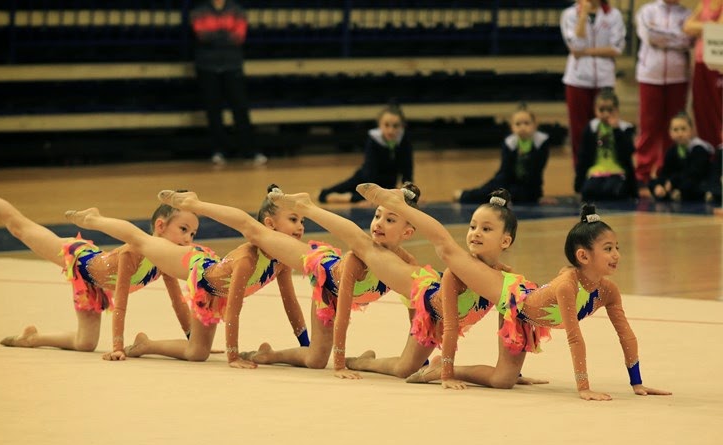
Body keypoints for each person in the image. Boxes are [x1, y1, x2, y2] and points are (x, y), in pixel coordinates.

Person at [357, 182, 672, 401]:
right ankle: (397, 203)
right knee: (448, 250)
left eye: (616, 248)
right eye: (608, 248)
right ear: (583, 255)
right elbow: (575, 338)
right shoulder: (566, 285)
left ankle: (436, 368)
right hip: (513, 296)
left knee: (502, 380)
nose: (616, 255)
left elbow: (626, 335)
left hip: (521, 313)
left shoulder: (609, 291)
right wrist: (583, 387)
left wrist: (637, 382)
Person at [270, 187, 546, 388]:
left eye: (486, 229)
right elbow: (441, 240)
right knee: (364, 246)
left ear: (505, 241)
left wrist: (514, 371)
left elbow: (510, 326)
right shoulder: (461, 264)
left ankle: (363, 362)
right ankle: (307, 207)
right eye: (473, 226)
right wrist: (447, 372)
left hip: (440, 312)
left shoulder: (507, 278)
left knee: (408, 368)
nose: (475, 233)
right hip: (426, 293)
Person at [155, 184, 421, 379]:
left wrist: (419, 361)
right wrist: (338, 364)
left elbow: (415, 319)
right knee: (254, 231)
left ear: (407, 232)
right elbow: (342, 314)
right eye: (377, 215)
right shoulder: (357, 258)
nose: (378, 223)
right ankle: (195, 204)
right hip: (325, 271)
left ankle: (356, 362)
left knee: (316, 359)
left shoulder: (407, 268)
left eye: (390, 219)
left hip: (341, 283)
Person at [0, 177, 198, 360]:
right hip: (81, 259)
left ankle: (33, 338)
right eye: (183, 229)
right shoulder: (135, 251)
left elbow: (177, 302)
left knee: (85, 343)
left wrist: (193, 339)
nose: (188, 239)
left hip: (94, 283)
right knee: (20, 227)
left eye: (193, 234)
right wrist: (117, 346)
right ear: (160, 226)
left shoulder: (164, 261)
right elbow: (121, 301)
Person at [64, 186, 308, 368]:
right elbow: (233, 310)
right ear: (270, 224)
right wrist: (233, 356)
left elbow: (291, 302)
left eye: (302, 221)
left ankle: (146, 345)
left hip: (212, 289)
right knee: (140, 241)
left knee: (197, 352)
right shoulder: (247, 259)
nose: (300, 227)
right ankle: (94, 219)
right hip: (198, 266)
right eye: (293, 219)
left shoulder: (281, 262)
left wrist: (305, 345)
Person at [191, 0, 267, 166]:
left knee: (240, 108)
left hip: (232, 65)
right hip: (207, 66)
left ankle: (249, 151)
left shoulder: (237, 10)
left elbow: (239, 37)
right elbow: (202, 35)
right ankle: (219, 151)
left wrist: (215, 36)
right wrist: (225, 34)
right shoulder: (199, 11)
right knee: (213, 110)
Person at [634, 0, 693, 197]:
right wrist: (677, 36)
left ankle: (668, 174)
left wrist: (664, 36)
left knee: (674, 129)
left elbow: (689, 40)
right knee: (649, 126)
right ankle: (643, 173)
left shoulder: (687, 14)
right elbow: (650, 36)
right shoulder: (647, 11)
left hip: (678, 76)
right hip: (650, 75)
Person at [560, 0, 626, 170]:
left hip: (604, 79)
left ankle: (605, 167)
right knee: (579, 130)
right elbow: (575, 46)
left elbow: (616, 48)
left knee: (605, 126)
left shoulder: (614, 15)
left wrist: (586, 52)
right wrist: (583, 16)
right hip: (577, 79)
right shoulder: (569, 14)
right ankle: (581, 171)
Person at [453, 104, 550, 205]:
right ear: (512, 127)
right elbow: (505, 172)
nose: (522, 127)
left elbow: (537, 172)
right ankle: (462, 195)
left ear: (535, 125)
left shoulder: (541, 143)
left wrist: (539, 196)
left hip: (526, 187)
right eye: (518, 124)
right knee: (487, 192)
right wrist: (504, 192)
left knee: (524, 195)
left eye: (526, 123)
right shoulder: (509, 144)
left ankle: (505, 198)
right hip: (506, 182)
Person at [317, 103, 413, 205]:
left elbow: (407, 171)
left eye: (395, 126)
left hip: (387, 186)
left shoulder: (404, 141)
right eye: (386, 125)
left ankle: (352, 197)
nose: (391, 130)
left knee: (390, 198)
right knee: (324, 194)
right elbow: (370, 170)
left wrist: (410, 196)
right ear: (380, 124)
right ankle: (346, 197)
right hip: (365, 180)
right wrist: (369, 195)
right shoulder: (374, 140)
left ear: (402, 126)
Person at [574, 88, 638, 201]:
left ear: (617, 110)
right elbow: (583, 157)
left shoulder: (625, 128)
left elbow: (627, 153)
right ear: (595, 110)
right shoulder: (591, 128)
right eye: (601, 110)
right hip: (596, 172)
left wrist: (616, 130)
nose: (606, 114)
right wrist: (578, 185)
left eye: (610, 110)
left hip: (618, 172)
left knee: (611, 190)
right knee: (589, 192)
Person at [683, 0, 723, 148]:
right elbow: (687, 26)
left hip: (718, 63)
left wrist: (700, 27)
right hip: (701, 61)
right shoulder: (705, 2)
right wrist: (709, 27)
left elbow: (720, 30)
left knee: (717, 108)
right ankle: (707, 148)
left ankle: (720, 149)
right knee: (701, 107)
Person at [650, 113, 715, 201]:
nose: (680, 133)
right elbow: (665, 173)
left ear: (691, 130)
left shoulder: (699, 149)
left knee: (691, 185)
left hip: (698, 183)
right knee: (653, 184)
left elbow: (695, 173)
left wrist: (673, 182)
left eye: (683, 129)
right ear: (670, 132)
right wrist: (659, 186)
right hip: (677, 184)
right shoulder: (671, 151)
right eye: (675, 130)